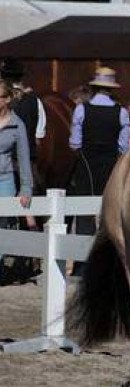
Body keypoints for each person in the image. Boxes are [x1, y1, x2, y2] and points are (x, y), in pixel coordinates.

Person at [68, 67, 129, 256]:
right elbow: (123, 147)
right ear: (112, 89)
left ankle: (81, 261)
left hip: (86, 164)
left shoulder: (81, 110)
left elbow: (74, 143)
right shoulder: (122, 112)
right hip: (110, 165)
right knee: (110, 213)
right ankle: (107, 256)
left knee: (84, 214)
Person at [0, 79, 33, 280]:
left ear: (7, 99)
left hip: (4, 180)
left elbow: (23, 158)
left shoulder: (16, 124)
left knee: (2, 225)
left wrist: (26, 188)